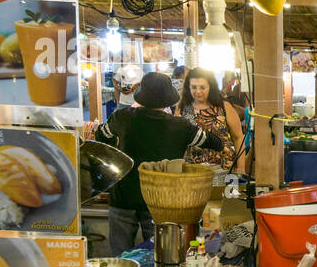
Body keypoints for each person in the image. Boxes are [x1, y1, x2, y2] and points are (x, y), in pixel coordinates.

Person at [95, 72, 224, 254]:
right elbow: (215, 143)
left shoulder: (123, 118)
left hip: (123, 196)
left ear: (142, 96)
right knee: (162, 255)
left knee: (120, 257)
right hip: (161, 202)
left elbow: (101, 136)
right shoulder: (182, 127)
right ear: (167, 100)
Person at [176, 67, 243, 171]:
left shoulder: (224, 107)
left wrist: (241, 167)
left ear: (210, 87)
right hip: (193, 170)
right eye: (193, 87)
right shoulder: (182, 108)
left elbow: (238, 137)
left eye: (202, 87)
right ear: (188, 87)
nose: (198, 91)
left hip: (224, 168)